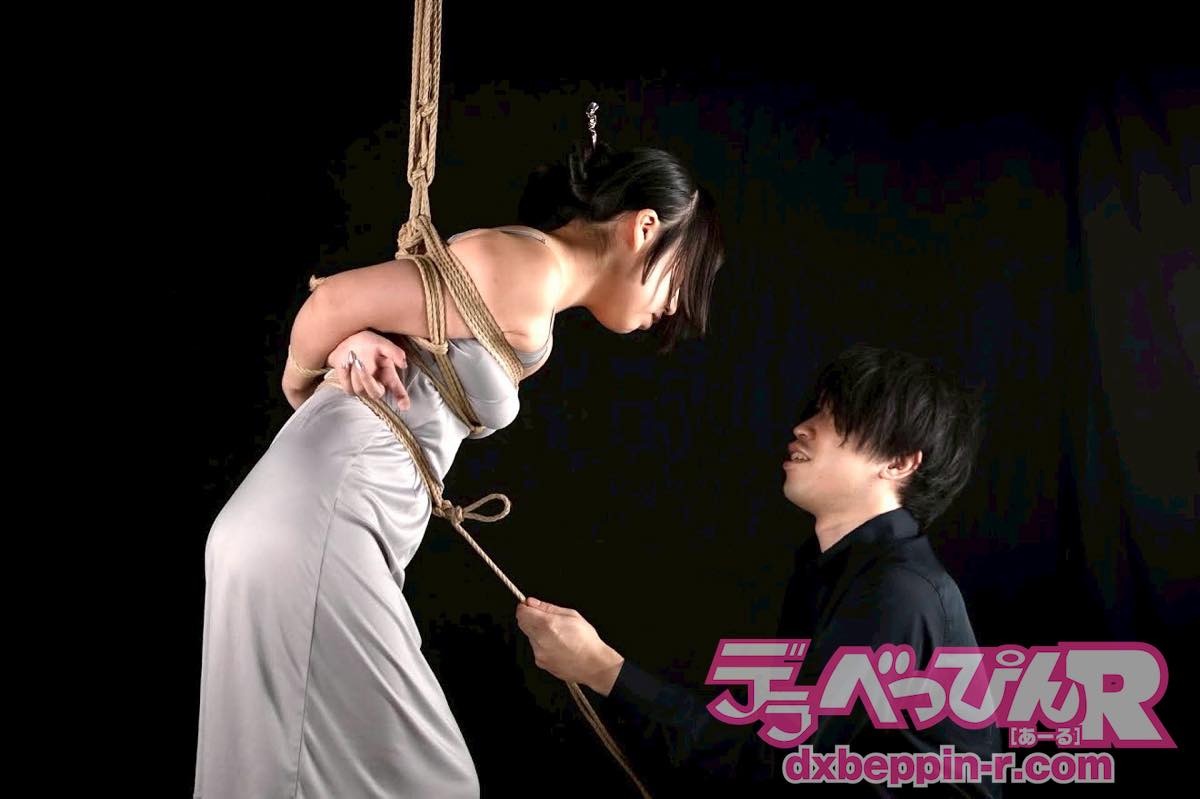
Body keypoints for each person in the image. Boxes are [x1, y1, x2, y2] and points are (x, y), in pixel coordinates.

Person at [192, 131, 725, 798]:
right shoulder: (529, 271)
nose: (674, 305)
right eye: (684, 276)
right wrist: (311, 376)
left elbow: (375, 320)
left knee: (283, 769)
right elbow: (329, 305)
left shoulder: (534, 280)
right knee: (429, 783)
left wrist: (349, 346)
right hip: (322, 524)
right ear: (644, 229)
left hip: (310, 520)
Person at [516, 344, 1002, 797]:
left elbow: (777, 767)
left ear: (898, 462)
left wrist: (603, 669)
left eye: (837, 416)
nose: (804, 428)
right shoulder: (832, 570)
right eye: (816, 410)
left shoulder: (898, 590)